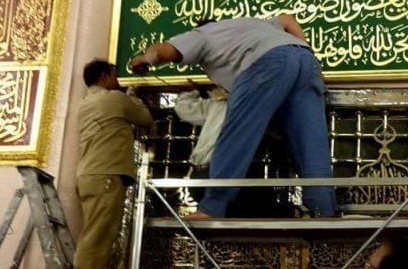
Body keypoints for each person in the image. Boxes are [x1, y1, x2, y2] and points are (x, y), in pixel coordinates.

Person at [129, 15, 335, 219]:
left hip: (267, 62)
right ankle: (324, 211)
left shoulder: (202, 35)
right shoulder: (251, 24)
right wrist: (305, 49)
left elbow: (161, 52)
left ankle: (212, 209)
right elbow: (287, 19)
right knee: (310, 143)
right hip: (306, 62)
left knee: (235, 135)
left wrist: (143, 59)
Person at [69, 60, 153, 269]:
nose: (118, 80)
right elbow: (145, 118)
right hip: (105, 176)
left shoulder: (86, 103)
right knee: (96, 239)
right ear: (105, 77)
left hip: (90, 175)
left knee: (95, 236)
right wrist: (132, 93)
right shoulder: (113, 100)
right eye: (115, 76)